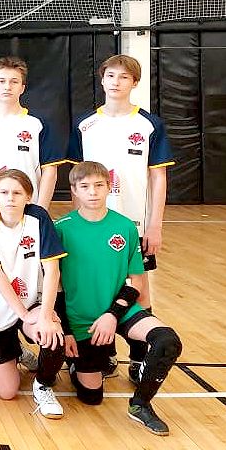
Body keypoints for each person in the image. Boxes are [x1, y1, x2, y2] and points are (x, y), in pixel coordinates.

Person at [68, 54, 175, 382]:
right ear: (102, 80)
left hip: (135, 223)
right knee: (96, 285)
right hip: (93, 223)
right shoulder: (86, 124)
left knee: (139, 289)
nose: (116, 82)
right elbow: (76, 178)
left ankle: (140, 357)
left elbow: (158, 177)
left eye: (124, 77)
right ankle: (106, 351)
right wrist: (78, 222)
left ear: (134, 83)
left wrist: (154, 224)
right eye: (111, 75)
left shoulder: (149, 124)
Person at [55, 161, 182, 435]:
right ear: (74, 190)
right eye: (85, 186)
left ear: (108, 187)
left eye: (99, 185)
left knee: (167, 340)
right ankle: (77, 364)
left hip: (120, 311)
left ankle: (141, 404)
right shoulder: (61, 229)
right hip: (82, 320)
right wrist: (66, 330)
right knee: (91, 397)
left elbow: (136, 280)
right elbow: (56, 287)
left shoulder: (125, 227)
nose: (92, 192)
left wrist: (112, 315)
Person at [0, 169, 67, 418]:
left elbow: (52, 270)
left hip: (33, 300)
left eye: (17, 193)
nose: (10, 198)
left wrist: (45, 315)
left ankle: (43, 385)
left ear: (28, 197)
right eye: (4, 192)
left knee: (53, 334)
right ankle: (17, 350)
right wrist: (23, 315)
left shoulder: (39, 217)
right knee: (7, 391)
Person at [0, 56, 63, 218]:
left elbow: (50, 171)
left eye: (14, 81)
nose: (7, 87)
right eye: (2, 81)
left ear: (22, 88)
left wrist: (41, 211)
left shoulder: (37, 125)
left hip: (29, 210)